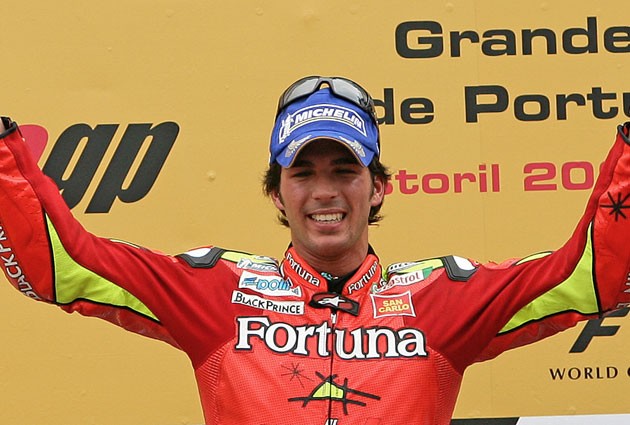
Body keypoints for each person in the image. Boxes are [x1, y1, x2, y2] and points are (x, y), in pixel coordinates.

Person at [0, 75, 629, 425]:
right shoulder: (217, 293)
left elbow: (589, 279)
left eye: (344, 171)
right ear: (276, 194)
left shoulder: (441, 300)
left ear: (378, 187)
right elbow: (63, 267)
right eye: (302, 173)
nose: (324, 192)